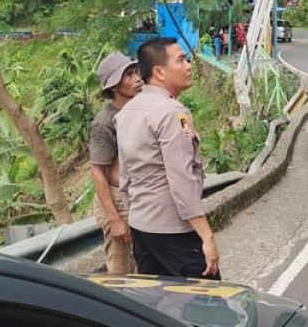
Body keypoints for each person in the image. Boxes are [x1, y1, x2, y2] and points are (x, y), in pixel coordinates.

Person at [116, 37, 220, 279]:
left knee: (157, 304)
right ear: (159, 72)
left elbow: (126, 177)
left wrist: (137, 215)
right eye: (181, 60)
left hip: (142, 227)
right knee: (206, 305)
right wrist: (206, 236)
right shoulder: (173, 114)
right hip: (174, 230)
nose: (188, 65)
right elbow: (181, 180)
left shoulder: (127, 112)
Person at [90, 51, 143, 274]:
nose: (137, 78)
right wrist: (114, 219)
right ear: (113, 86)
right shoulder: (104, 122)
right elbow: (97, 172)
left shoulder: (141, 110)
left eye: (136, 72)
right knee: (121, 274)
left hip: (140, 197)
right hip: (118, 202)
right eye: (128, 75)